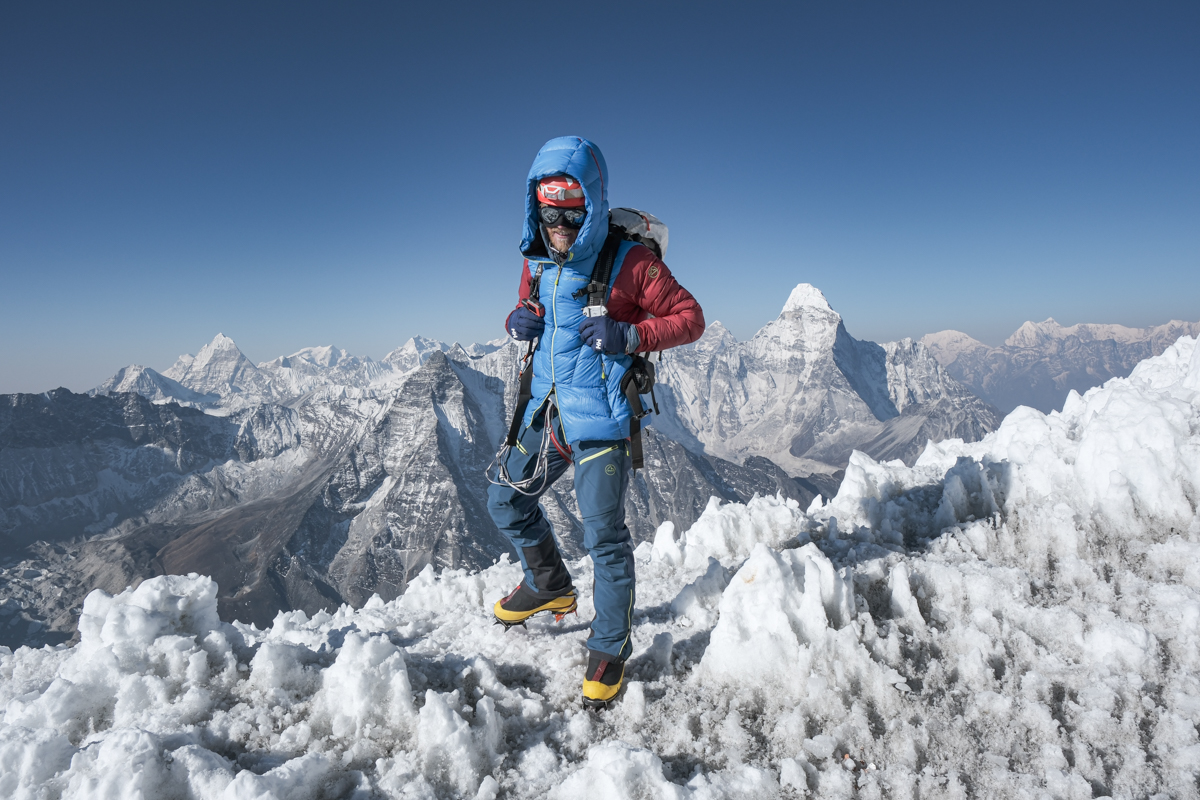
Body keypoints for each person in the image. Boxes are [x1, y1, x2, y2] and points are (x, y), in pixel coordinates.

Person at [486, 136, 704, 707]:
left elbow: (690, 318)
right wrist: (517, 318)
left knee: (604, 536)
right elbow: (532, 305)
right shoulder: (536, 258)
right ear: (536, 209)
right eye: (549, 214)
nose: (559, 226)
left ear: (593, 205)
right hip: (548, 409)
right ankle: (550, 584)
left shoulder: (632, 262)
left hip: (604, 419)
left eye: (571, 214)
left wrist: (630, 334)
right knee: (505, 500)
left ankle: (609, 647)